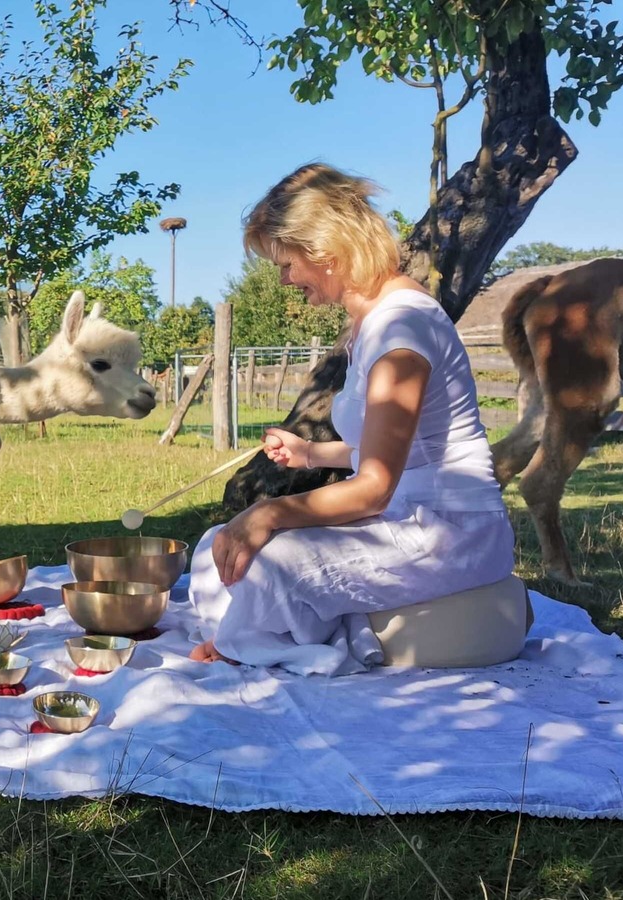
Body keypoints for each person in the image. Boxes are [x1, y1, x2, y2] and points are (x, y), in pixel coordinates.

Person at [187, 163, 515, 676]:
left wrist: (270, 512)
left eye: (286, 263)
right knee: (217, 548)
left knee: (270, 561)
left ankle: (261, 641)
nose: (284, 279)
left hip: (451, 532)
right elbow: (398, 449)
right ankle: (265, 634)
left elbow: (375, 487)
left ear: (324, 250)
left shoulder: (401, 328)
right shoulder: (372, 323)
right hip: (404, 519)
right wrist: (312, 455)